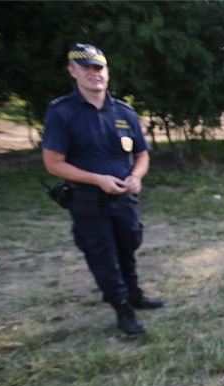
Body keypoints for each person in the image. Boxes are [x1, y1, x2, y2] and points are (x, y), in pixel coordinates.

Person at [42, 43, 162, 335]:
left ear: (106, 72)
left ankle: (134, 294)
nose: (93, 73)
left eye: (99, 67)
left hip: (124, 197)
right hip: (88, 200)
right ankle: (122, 309)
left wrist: (136, 176)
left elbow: (141, 154)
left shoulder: (124, 112)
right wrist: (97, 179)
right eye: (86, 67)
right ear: (72, 71)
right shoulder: (62, 112)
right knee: (102, 253)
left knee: (128, 246)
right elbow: (53, 163)